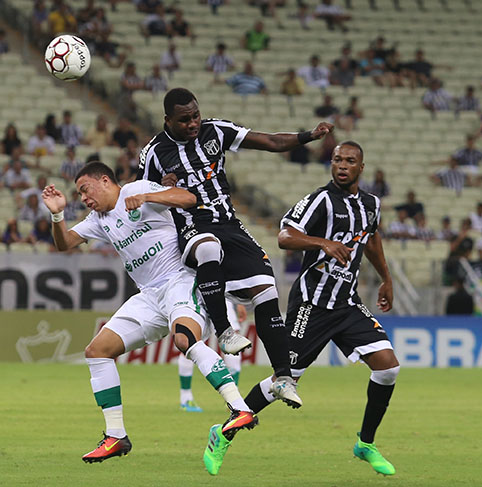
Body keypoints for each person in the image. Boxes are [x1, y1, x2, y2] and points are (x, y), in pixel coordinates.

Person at [42, 161, 258, 463]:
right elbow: (64, 243)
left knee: (184, 340)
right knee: (97, 351)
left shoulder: (138, 189)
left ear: (105, 181)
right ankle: (115, 435)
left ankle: (240, 409)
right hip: (148, 296)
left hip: (180, 281)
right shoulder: (98, 219)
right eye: (79, 194)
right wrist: (56, 214)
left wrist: (149, 198)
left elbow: (188, 198)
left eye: (85, 190)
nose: (84, 198)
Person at [208, 141, 400, 477]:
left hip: (347, 302)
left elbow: (371, 238)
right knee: (285, 379)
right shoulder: (320, 200)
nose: (342, 165)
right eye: (337, 159)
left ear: (361, 167)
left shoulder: (371, 204)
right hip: (312, 304)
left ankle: (365, 443)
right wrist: (322, 242)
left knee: (388, 368)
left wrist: (386, 278)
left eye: (350, 161)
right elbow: (285, 236)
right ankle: (224, 432)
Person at [138, 88, 329, 409]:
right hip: (191, 227)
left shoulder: (216, 131)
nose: (193, 123)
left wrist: (307, 135)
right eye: (184, 120)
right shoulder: (154, 153)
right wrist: (161, 190)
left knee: (267, 289)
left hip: (229, 224)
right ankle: (225, 331)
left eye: (196, 115)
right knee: (208, 247)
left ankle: (282, 377)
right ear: (167, 120)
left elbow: (269, 142)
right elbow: (139, 199)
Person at [178, 299, 245, 412]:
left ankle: (233, 399)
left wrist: (238, 302)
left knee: (191, 340)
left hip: (207, 296)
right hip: (202, 296)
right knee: (190, 340)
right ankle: (234, 400)